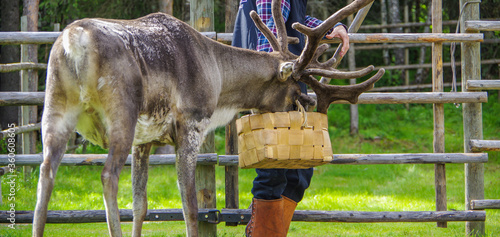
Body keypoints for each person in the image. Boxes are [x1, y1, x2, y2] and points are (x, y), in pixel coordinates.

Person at [232, 0, 351, 236]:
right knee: (274, 166)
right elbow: (270, 36)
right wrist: (277, 84)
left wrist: (329, 28)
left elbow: (291, 21)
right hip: (274, 82)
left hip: (285, 80)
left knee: (300, 169)